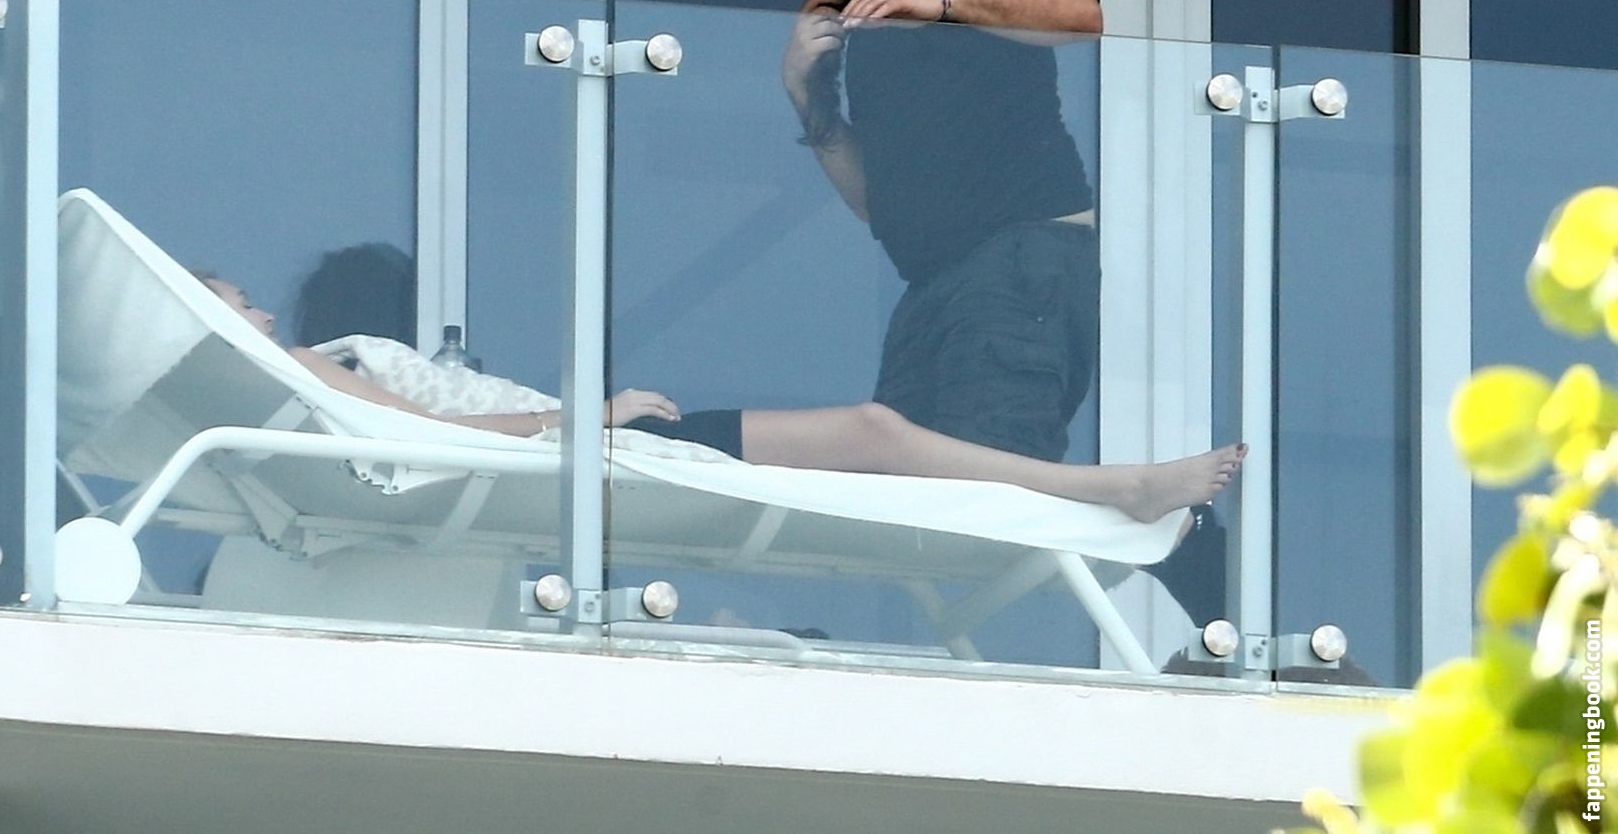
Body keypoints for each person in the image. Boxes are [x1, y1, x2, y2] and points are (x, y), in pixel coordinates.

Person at [197, 276, 1243, 526]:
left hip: (588, 445)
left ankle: (1108, 490)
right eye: (236, 301)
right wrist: (596, 418)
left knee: (877, 435)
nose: (258, 306)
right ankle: (1116, 489)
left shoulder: (293, 375)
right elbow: (426, 431)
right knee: (874, 433)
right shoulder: (305, 364)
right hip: (587, 448)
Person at [782, 0, 1102, 465]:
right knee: (904, 493)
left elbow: (1079, 14)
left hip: (1020, 258)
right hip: (932, 283)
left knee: (987, 485)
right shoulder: (872, 4)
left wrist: (939, 3)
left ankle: (1161, 516)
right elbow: (876, 202)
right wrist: (807, 98)